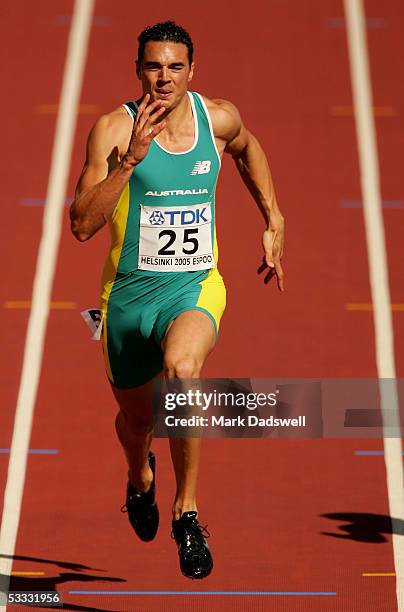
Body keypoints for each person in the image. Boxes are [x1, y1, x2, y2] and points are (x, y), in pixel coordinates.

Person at [70, 20, 285, 580]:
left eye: (175, 66)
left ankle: (186, 513)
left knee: (182, 373)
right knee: (136, 422)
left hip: (193, 287)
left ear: (192, 69)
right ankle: (140, 478)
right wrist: (130, 163)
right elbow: (82, 226)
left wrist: (273, 217)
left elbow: (247, 148)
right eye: (153, 66)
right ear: (137, 69)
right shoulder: (113, 130)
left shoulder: (217, 118)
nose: (163, 77)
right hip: (126, 300)